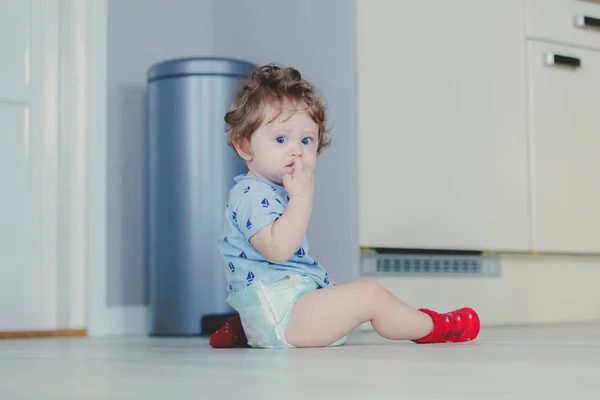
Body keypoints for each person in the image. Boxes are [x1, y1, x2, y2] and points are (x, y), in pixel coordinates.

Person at [210, 64, 480, 349]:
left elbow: (287, 264)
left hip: (277, 308)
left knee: (341, 294)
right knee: (370, 295)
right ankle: (435, 327)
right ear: (244, 146)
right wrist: (302, 199)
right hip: (280, 317)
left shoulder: (268, 192)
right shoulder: (251, 193)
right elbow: (278, 251)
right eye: (281, 139)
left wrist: (319, 283)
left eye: (306, 140)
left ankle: (245, 327)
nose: (296, 150)